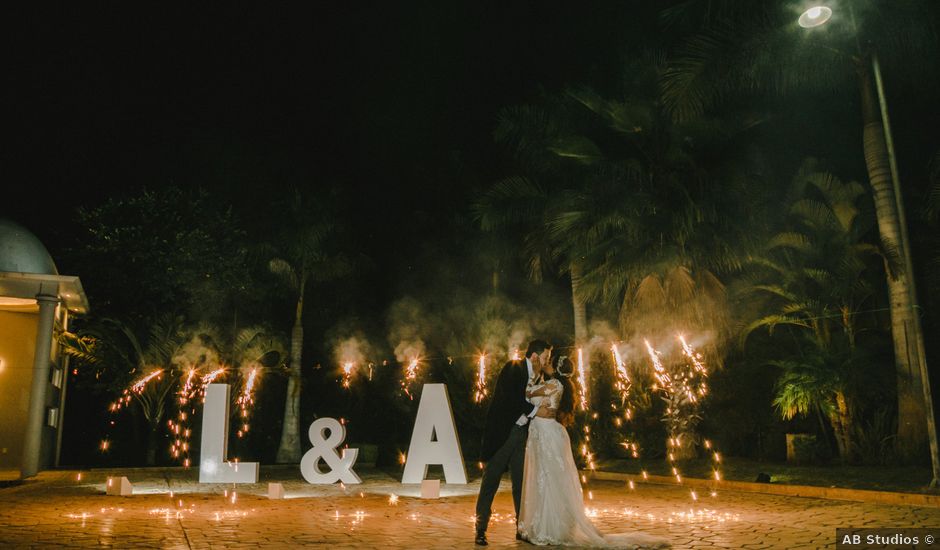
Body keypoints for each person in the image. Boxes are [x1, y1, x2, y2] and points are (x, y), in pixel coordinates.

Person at [517, 354, 670, 548]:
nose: (545, 363)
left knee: (550, 480)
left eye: (548, 362)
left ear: (555, 369)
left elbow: (527, 393)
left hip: (547, 434)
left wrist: (534, 374)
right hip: (544, 433)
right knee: (546, 479)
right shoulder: (555, 384)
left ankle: (551, 528)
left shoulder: (554, 384)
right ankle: (547, 525)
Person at [474, 339, 552, 546]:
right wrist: (536, 411)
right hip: (503, 435)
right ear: (534, 356)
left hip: (520, 435)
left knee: (521, 483)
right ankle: (480, 529)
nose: (546, 361)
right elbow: (512, 399)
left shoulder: (538, 376)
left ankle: (521, 528)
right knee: (491, 480)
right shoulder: (513, 368)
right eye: (545, 357)